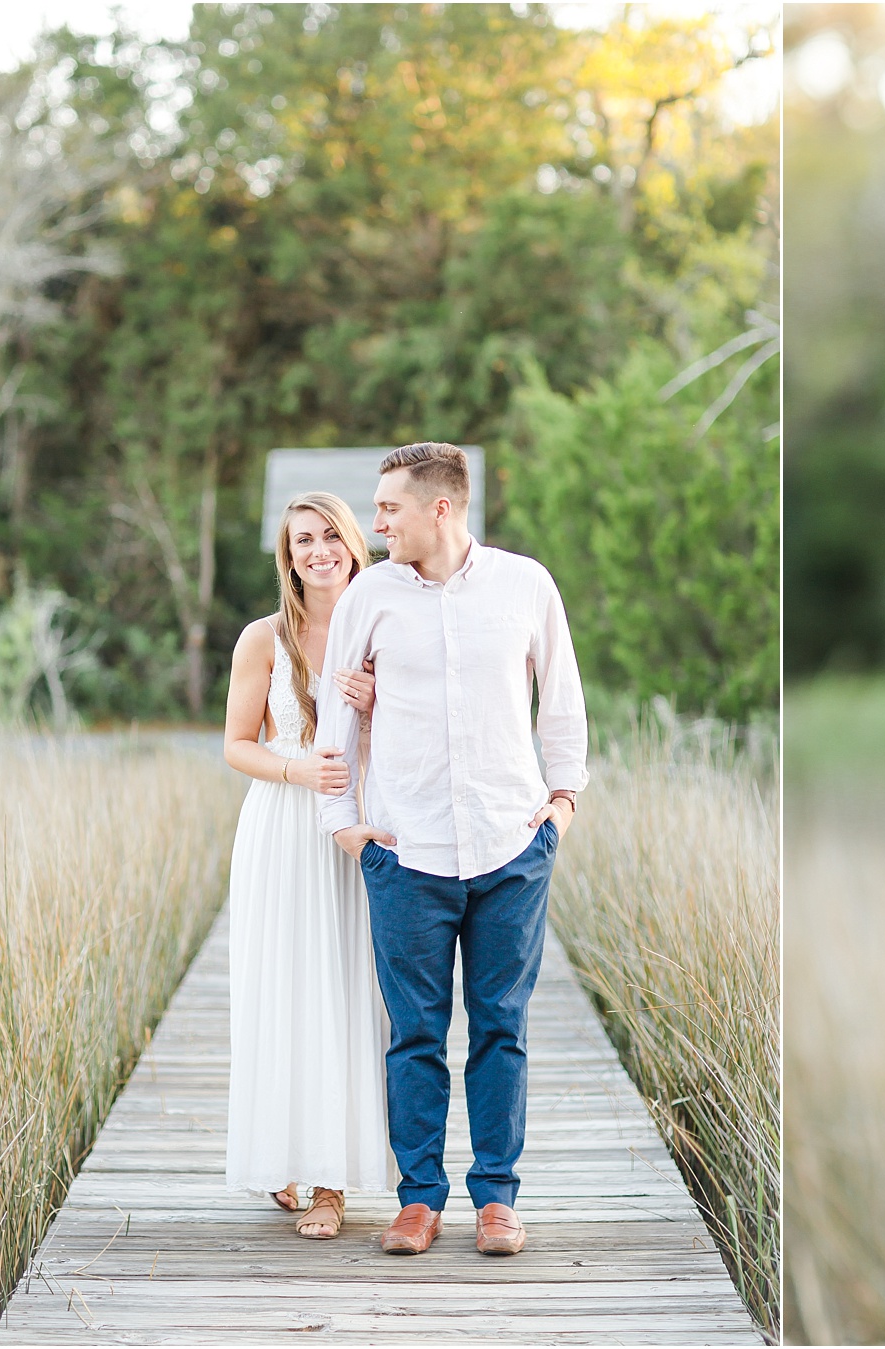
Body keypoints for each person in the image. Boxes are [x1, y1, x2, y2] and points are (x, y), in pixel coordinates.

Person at [313, 441, 588, 1260]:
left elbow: (562, 702)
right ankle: (419, 1199)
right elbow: (337, 711)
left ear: (441, 507)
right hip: (407, 850)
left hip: (512, 847)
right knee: (416, 1034)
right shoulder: (371, 595)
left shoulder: (526, 585)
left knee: (502, 1026)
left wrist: (560, 810)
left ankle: (497, 1199)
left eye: (389, 507)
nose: (376, 522)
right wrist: (346, 825)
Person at [222, 490, 395, 1239]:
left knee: (350, 993)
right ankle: (283, 1157)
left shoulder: (389, 627)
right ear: (287, 557)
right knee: (284, 990)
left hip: (361, 831)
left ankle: (333, 1185)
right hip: (284, 830)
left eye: (331, 535)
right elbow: (235, 743)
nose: (318, 550)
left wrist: (380, 698)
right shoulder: (264, 638)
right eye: (302, 541)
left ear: (355, 542)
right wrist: (298, 772)